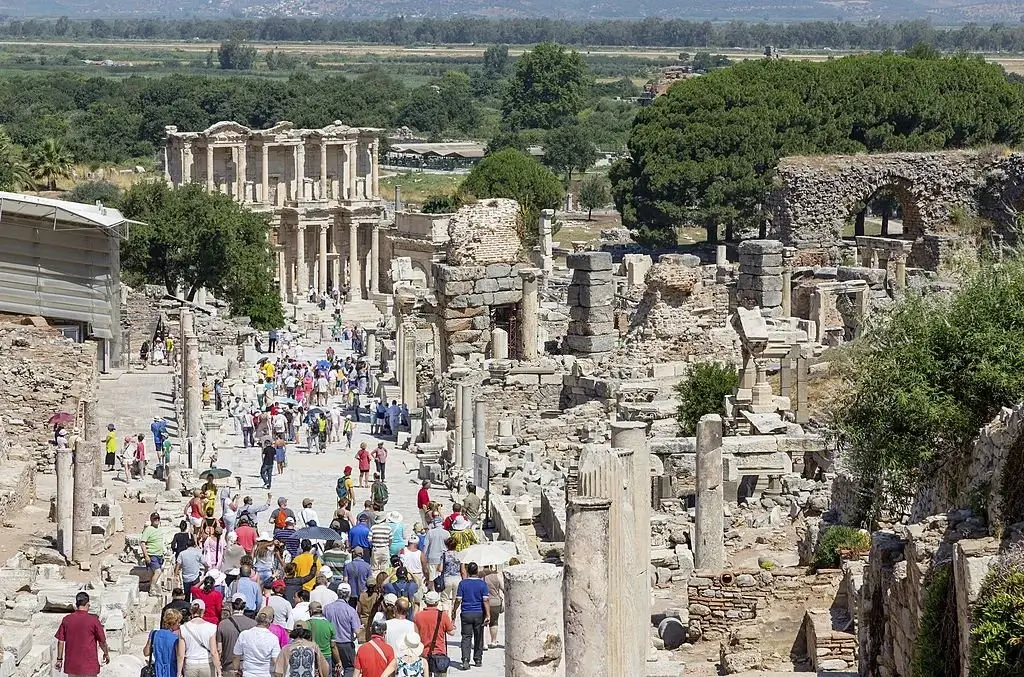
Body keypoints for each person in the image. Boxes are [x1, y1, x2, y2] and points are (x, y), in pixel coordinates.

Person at [54, 592, 109, 677]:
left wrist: (59, 659)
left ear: (76, 604)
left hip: (72, 666)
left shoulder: (66, 620)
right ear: (87, 604)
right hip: (89, 666)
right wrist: (106, 653)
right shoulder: (93, 621)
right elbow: (102, 642)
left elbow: (60, 641)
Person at [453, 563, 490, 670]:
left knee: (466, 637)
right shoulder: (482, 584)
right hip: (479, 612)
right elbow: (486, 600)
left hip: (466, 613)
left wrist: (454, 610)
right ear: (477, 571)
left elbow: (458, 599)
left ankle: (465, 659)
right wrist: (488, 614)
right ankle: (478, 659)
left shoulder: (463, 583)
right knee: (479, 636)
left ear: (468, 571)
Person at [413, 591, 454, 677]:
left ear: (425, 602)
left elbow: (415, 634)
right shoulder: (443, 615)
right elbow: (451, 632)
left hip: (423, 652)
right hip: (439, 651)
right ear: (437, 602)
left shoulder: (418, 616)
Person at [232, 608, 281, 677]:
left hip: (247, 673)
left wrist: (236, 670)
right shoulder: (273, 638)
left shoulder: (244, 634)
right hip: (265, 674)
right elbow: (276, 660)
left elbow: (236, 656)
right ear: (271, 621)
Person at [324, 589, 361, 677]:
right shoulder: (350, 610)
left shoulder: (327, 608)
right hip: (346, 644)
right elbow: (357, 631)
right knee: (349, 667)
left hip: (331, 643)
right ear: (349, 595)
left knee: (333, 667)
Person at [217, 596, 256, 677]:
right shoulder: (253, 624)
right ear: (244, 606)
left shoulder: (223, 624)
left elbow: (219, 649)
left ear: (232, 605)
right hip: (248, 667)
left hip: (229, 666)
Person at [180, 598, 221, 677]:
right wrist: (218, 669)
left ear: (191, 611)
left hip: (190, 664)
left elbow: (181, 654)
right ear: (203, 611)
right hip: (206, 663)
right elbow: (214, 652)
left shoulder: (183, 628)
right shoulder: (211, 627)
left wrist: (179, 672)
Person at [145, 609, 186, 677]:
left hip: (158, 670)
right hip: (172, 670)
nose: (179, 624)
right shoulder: (177, 638)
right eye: (178, 622)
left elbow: (146, 652)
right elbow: (180, 656)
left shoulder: (154, 634)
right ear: (173, 623)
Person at [305, 601, 341, 671]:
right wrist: (338, 661)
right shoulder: (329, 625)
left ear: (310, 612)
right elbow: (333, 646)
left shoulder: (306, 624)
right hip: (326, 656)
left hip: (311, 656)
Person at [141, 512, 167, 594]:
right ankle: (152, 588)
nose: (157, 520)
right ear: (151, 520)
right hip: (152, 554)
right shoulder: (148, 530)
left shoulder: (160, 529)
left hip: (159, 555)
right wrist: (146, 556)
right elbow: (142, 543)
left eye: (158, 519)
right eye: (155, 519)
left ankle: (152, 587)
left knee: (153, 573)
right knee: (158, 571)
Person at [175, 539, 207, 604]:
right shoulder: (198, 553)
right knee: (195, 596)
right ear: (194, 545)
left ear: (186, 545)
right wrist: (206, 571)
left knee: (187, 596)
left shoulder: (182, 553)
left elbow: (178, 565)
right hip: (195, 578)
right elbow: (205, 564)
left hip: (186, 578)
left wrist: (176, 575)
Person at [483, 566, 504, 649]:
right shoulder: (497, 576)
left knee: (484, 623)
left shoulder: (481, 576)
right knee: (494, 622)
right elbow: (503, 588)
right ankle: (493, 641)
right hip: (495, 601)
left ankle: (484, 643)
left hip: (484, 602)